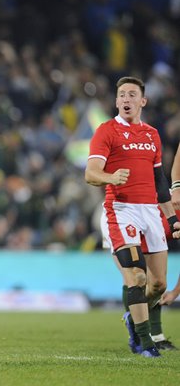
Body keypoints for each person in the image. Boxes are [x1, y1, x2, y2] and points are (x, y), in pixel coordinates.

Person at [85, 76, 175, 358]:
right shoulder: (106, 131)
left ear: (142, 101)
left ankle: (132, 316)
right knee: (136, 276)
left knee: (158, 284)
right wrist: (111, 176)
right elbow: (91, 173)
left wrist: (171, 219)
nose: (126, 99)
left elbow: (160, 183)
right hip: (121, 211)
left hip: (151, 212)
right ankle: (145, 342)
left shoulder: (152, 135)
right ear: (116, 101)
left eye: (132, 94)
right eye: (121, 94)